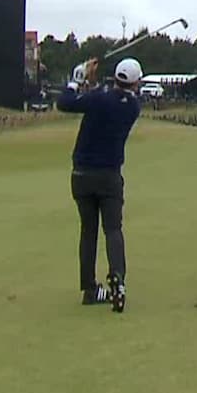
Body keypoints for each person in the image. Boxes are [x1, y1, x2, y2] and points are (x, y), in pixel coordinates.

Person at [57, 56, 144, 313]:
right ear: (136, 82)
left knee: (88, 231)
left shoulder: (99, 99)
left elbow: (65, 103)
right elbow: (104, 98)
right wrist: (91, 83)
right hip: (109, 177)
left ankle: (89, 289)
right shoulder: (133, 107)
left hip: (82, 175)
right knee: (113, 230)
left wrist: (78, 78)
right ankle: (118, 280)